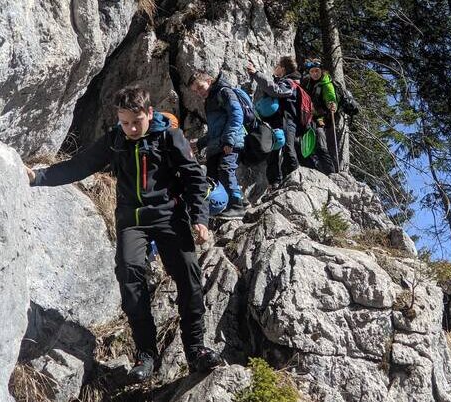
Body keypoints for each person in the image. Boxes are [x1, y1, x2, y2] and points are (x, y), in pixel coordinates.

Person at [25, 86, 222, 382]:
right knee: (129, 276)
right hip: (133, 220)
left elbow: (194, 178)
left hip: (170, 216)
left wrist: (200, 218)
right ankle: (146, 355)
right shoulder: (115, 140)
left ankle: (195, 350)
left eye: (136, 121)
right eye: (124, 121)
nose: (130, 128)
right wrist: (37, 177)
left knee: (188, 275)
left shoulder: (169, 137)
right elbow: (80, 166)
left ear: (149, 114)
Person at [188, 71, 246, 219]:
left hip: (231, 141)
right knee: (212, 176)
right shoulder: (210, 100)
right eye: (196, 91)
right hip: (217, 144)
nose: (199, 93)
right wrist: (200, 143)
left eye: (200, 87)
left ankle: (237, 206)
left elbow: (237, 115)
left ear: (209, 80)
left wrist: (229, 140)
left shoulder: (224, 92)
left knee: (226, 169)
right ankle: (220, 206)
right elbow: (215, 130)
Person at [246, 56, 301, 189]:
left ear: (282, 68)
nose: (274, 67)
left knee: (288, 149)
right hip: (276, 122)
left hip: (287, 121)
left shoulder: (290, 83)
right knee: (273, 151)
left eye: (277, 65)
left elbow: (274, 90)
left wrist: (256, 73)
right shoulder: (282, 81)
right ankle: (274, 183)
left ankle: (295, 180)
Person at [301, 59, 340, 174]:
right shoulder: (307, 82)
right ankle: (314, 170)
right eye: (312, 71)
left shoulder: (326, 83)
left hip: (320, 118)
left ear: (321, 71)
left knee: (321, 145)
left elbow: (330, 96)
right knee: (308, 145)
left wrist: (332, 104)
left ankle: (331, 173)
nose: (314, 74)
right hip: (308, 117)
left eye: (317, 71)